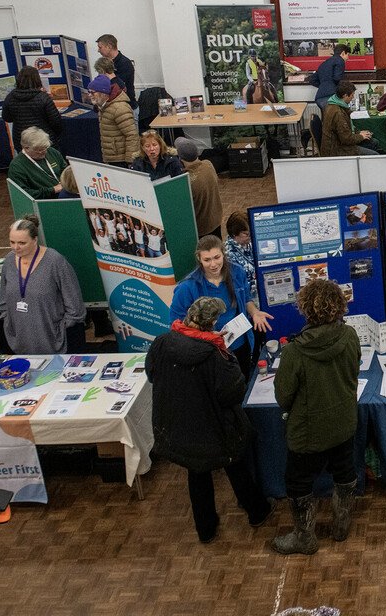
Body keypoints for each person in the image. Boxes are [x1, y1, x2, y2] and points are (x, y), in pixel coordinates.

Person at [146, 296, 271, 543]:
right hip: (216, 428)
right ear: (212, 322)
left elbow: (152, 374)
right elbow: (233, 393)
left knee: (197, 475)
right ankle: (257, 512)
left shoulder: (161, 342)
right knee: (236, 466)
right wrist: (228, 357)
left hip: (179, 427)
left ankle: (206, 529)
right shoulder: (215, 354)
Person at [271, 279, 361, 554]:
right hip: (343, 423)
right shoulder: (350, 336)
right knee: (344, 473)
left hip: (308, 432)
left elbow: (283, 396)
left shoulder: (295, 351)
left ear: (306, 309)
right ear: (339, 305)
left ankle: (305, 538)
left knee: (298, 483)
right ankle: (341, 527)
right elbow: (353, 371)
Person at [170, 235, 272, 379]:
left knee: (243, 383)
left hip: (240, 344)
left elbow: (247, 299)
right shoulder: (187, 287)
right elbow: (175, 325)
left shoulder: (237, 272)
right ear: (199, 259)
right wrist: (206, 335)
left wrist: (254, 312)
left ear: (224, 254)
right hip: (208, 351)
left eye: (217, 257)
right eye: (207, 260)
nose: (213, 264)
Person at [0, 214, 85, 354]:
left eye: (21, 243)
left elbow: (75, 307)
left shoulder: (55, 261)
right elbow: (3, 299)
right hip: (20, 342)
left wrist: (60, 331)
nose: (16, 248)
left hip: (53, 341)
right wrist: (9, 322)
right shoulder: (9, 261)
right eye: (12, 242)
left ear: (35, 240)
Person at [173, 137, 224, 239]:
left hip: (201, 229)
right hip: (216, 220)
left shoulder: (186, 181)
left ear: (180, 158)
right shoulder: (208, 165)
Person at [2, 66, 62, 149]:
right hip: (43, 139)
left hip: (22, 140)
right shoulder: (43, 97)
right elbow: (56, 122)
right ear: (37, 79)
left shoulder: (10, 97)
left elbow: (7, 118)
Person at [88, 69, 138, 167]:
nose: (89, 95)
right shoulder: (102, 106)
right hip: (112, 157)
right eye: (89, 92)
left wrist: (130, 161)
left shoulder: (119, 108)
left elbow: (132, 135)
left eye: (92, 92)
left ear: (103, 93)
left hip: (122, 160)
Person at [6, 127, 68, 199]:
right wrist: (52, 190)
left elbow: (65, 171)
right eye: (38, 150)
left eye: (45, 148)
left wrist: (66, 182)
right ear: (26, 148)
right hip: (44, 202)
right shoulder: (17, 166)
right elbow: (23, 194)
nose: (44, 152)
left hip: (65, 193)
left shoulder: (52, 152)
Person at [320, 81, 378, 156]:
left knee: (373, 142)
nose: (353, 97)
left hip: (336, 143)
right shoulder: (338, 114)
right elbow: (346, 139)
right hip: (336, 149)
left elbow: (345, 131)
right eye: (352, 95)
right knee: (374, 154)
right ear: (345, 96)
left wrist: (358, 133)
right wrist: (360, 136)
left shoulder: (332, 103)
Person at [223, 210, 259, 304]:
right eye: (246, 234)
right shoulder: (229, 255)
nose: (251, 236)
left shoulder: (248, 243)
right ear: (234, 234)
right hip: (246, 300)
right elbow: (237, 285)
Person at [96, 33, 136, 105]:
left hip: (125, 106)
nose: (98, 50)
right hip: (110, 105)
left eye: (100, 47)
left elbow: (118, 87)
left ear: (109, 46)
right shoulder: (104, 63)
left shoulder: (125, 63)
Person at [312, 43, 350, 109]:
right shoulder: (340, 60)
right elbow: (337, 78)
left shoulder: (325, 63)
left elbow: (312, 80)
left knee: (327, 119)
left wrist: (324, 85)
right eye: (348, 55)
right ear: (343, 53)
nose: (348, 58)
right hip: (330, 98)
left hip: (320, 98)